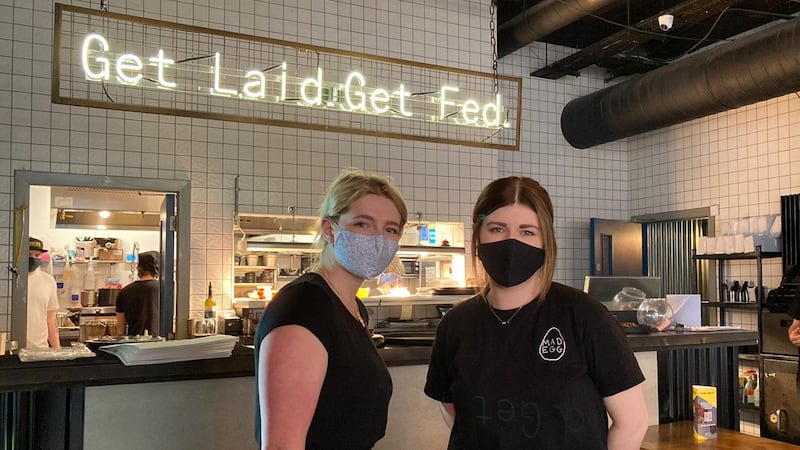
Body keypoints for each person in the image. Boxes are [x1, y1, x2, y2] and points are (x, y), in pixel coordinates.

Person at [424, 176, 648, 449]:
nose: (511, 241)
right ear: (478, 236)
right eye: (497, 229)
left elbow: (632, 422)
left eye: (527, 231)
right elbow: (454, 412)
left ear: (546, 242)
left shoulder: (584, 315)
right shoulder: (456, 325)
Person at [254, 168, 408, 449]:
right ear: (329, 229)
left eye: (390, 229)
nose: (378, 239)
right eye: (363, 224)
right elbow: (281, 445)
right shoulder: (305, 307)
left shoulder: (352, 307)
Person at [115, 252, 160, 336]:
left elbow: (120, 330)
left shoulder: (124, 292)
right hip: (159, 343)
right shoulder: (163, 290)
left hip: (134, 343)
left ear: (138, 268)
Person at [27, 237, 60, 348]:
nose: (33, 258)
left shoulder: (48, 281)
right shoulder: (9, 281)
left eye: (37, 255)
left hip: (40, 349)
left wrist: (57, 350)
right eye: (29, 254)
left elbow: (50, 319)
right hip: (10, 349)